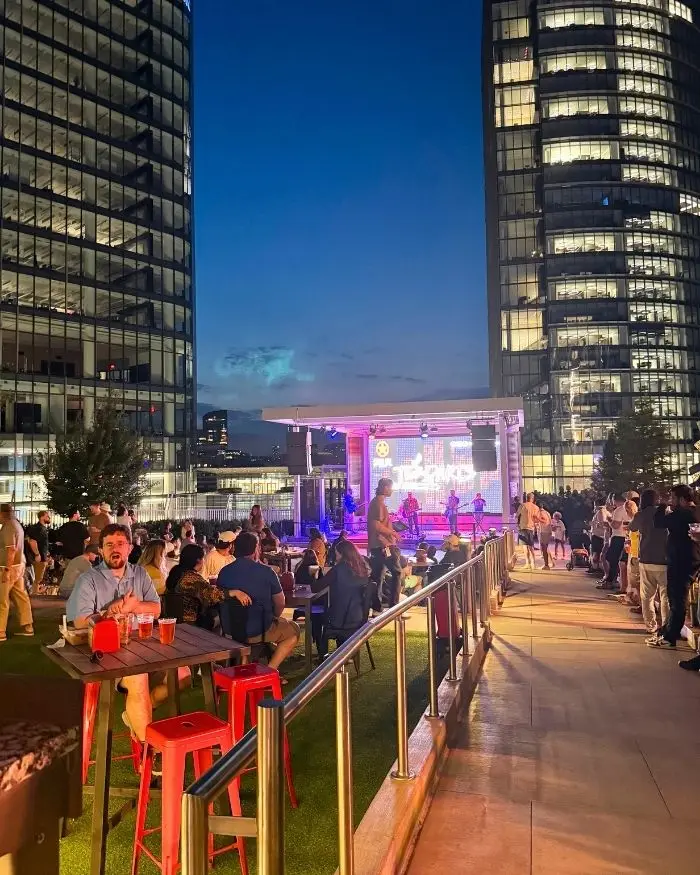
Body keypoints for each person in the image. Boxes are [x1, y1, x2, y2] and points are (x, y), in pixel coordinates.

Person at [66, 524, 175, 741]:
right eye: (109, 545)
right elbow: (79, 621)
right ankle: (148, 748)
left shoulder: (140, 574)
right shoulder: (88, 580)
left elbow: (156, 609)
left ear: (130, 548)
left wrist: (131, 607)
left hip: (143, 645)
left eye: (120, 544)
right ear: (101, 550)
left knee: (181, 676)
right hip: (107, 651)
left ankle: (135, 714)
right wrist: (113, 610)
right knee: (138, 677)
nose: (115, 549)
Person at [217, 532, 300, 670]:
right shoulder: (267, 572)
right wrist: (273, 617)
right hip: (258, 630)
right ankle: (270, 670)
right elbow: (280, 603)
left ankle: (254, 662)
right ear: (256, 549)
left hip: (230, 628)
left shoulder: (224, 572)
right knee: (294, 630)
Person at [647, 485, 700, 649]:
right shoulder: (697, 512)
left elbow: (658, 522)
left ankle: (670, 636)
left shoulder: (681, 514)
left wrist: (662, 505)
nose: (671, 501)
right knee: (677, 599)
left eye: (673, 498)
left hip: (679, 562)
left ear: (682, 499)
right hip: (693, 561)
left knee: (677, 600)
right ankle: (667, 632)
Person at [314, 540, 371, 657]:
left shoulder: (338, 569)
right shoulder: (363, 568)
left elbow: (316, 588)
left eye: (336, 553)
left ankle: (322, 654)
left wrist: (313, 576)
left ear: (341, 554)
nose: (335, 556)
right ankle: (342, 652)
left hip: (339, 619)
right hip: (358, 617)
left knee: (316, 617)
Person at [629, 490, 668, 635]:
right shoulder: (664, 512)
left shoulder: (641, 514)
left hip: (646, 558)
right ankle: (666, 626)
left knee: (647, 596)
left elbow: (632, 527)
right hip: (664, 558)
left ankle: (651, 626)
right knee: (665, 596)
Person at [166, 543, 224, 629]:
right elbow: (213, 595)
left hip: (171, 617)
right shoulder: (191, 577)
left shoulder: (176, 571)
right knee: (220, 616)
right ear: (198, 560)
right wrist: (232, 592)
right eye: (203, 558)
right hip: (189, 622)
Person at [0, 503, 33, 641]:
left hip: (9, 567)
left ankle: (1, 632)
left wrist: (6, 570)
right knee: (21, 596)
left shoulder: (8, 527)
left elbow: (11, 549)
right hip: (19, 565)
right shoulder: (17, 524)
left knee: (2, 599)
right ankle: (28, 627)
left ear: (2, 514)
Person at [367, 478, 402, 609]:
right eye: (391, 487)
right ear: (385, 487)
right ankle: (395, 605)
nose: (392, 490)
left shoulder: (376, 502)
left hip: (377, 546)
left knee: (378, 576)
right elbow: (376, 525)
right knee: (397, 572)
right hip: (384, 545)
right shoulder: (379, 503)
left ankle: (376, 606)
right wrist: (393, 533)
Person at [598, 494, 631, 590]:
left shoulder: (619, 510)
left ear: (615, 500)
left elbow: (615, 525)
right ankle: (617, 581)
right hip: (627, 537)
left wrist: (609, 520)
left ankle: (611, 581)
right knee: (621, 561)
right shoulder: (629, 508)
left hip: (617, 537)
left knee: (612, 559)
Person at [25, 510, 51, 588]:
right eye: (48, 516)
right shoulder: (40, 529)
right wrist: (37, 554)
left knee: (35, 580)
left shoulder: (37, 528)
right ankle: (34, 597)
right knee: (36, 581)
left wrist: (47, 554)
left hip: (38, 558)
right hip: (38, 559)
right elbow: (32, 542)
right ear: (42, 517)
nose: (49, 518)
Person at [516, 492, 539, 570]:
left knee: (525, 546)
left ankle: (527, 563)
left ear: (526, 498)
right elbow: (536, 519)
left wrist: (518, 525)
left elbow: (517, 516)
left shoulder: (522, 505)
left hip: (523, 527)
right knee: (531, 546)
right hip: (531, 528)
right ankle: (533, 563)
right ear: (532, 498)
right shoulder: (536, 507)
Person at [538, 504, 553, 569]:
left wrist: (537, 518)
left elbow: (544, 521)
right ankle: (550, 563)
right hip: (548, 531)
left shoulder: (540, 513)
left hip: (544, 531)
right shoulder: (547, 512)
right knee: (545, 548)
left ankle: (546, 565)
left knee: (544, 548)